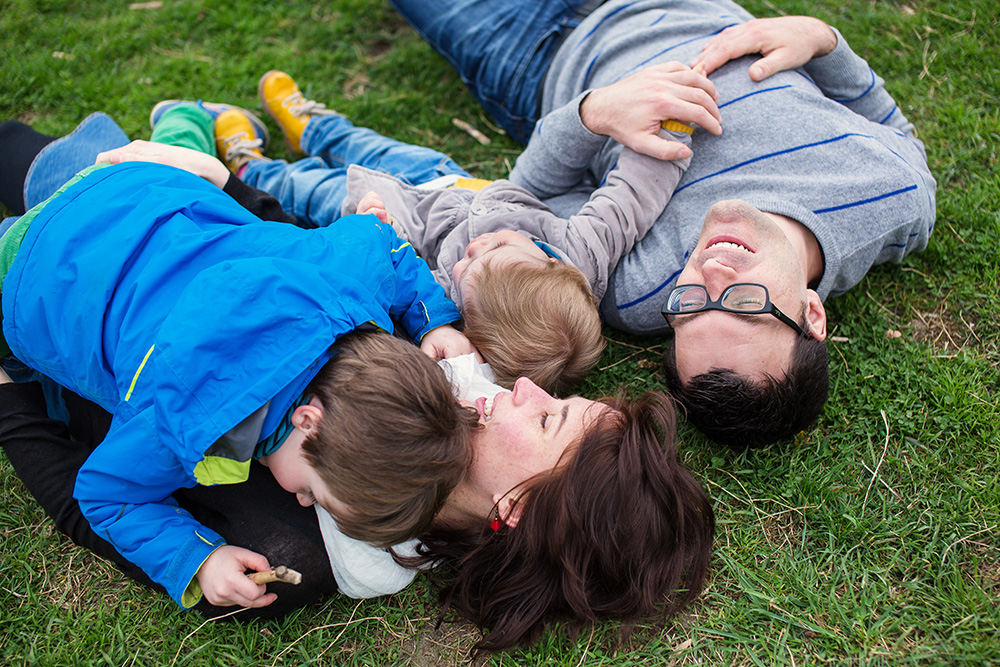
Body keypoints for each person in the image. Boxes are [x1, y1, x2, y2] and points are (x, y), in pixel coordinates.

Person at [0, 110, 716, 649]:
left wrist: (9, 392)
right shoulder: (446, 356)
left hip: (65, 326)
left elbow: (90, 499)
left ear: (518, 505)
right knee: (41, 165)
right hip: (160, 225)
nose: (526, 388)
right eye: (556, 396)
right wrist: (207, 187)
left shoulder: (289, 554)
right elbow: (315, 251)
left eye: (549, 418)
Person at [388, 0, 937, 446]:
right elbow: (896, 131)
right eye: (747, 304)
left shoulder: (639, 288)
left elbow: (528, 199)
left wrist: (595, 111)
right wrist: (823, 42)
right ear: (811, 312)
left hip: (540, 47)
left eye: (692, 305)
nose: (714, 273)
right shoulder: (896, 197)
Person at [0, 109, 479, 610]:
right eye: (316, 493)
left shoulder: (348, 282)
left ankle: (183, 117)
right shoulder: (189, 420)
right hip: (36, 264)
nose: (301, 501)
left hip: (147, 187)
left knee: (146, 156)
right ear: (308, 421)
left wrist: (433, 320)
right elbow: (106, 494)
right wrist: (197, 557)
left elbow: (382, 242)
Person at [141, 69, 720, 393]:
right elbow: (632, 197)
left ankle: (248, 164)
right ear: (552, 262)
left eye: (465, 270)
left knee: (302, 192)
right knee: (365, 144)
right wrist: (673, 127)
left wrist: (371, 229)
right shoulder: (583, 253)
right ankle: (314, 123)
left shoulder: (446, 299)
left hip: (390, 213)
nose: (470, 250)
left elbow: (377, 289)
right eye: (490, 251)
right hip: (443, 178)